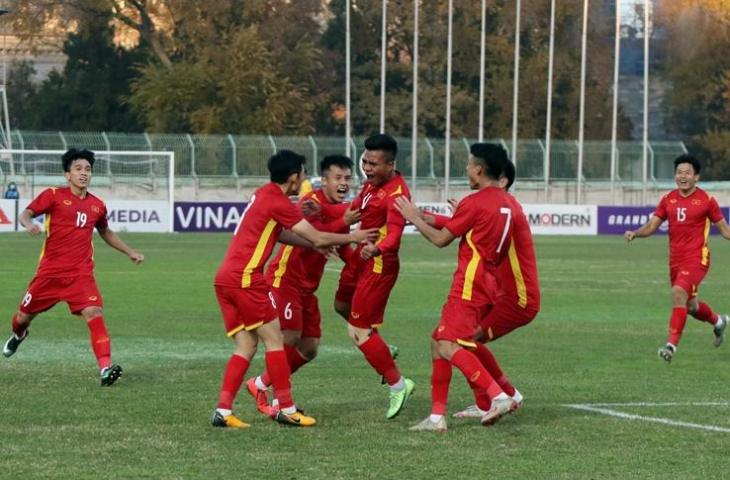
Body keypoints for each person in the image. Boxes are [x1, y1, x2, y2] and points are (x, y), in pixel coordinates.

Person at [211, 150, 377, 429]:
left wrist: (315, 245)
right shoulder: (279, 202)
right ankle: (286, 407)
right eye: (301, 174)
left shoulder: (262, 193)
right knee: (277, 341)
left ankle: (223, 411)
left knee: (246, 345)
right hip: (246, 279)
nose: (303, 179)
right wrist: (354, 236)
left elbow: (283, 234)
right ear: (293, 178)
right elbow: (319, 235)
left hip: (225, 277)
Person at [394, 143, 518, 432]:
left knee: (449, 345)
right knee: (438, 341)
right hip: (489, 281)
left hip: (470, 284)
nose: (466, 169)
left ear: (479, 169)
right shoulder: (507, 202)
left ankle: (498, 396)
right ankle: (437, 417)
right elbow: (471, 226)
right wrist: (429, 215)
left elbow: (440, 240)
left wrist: (413, 218)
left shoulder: (474, 202)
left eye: (469, 164)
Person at [2, 148, 144, 386]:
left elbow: (105, 231)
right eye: (78, 169)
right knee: (22, 318)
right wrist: (28, 224)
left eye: (87, 169)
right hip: (49, 274)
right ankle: (19, 335)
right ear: (67, 174)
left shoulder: (97, 205)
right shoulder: (54, 195)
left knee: (94, 313)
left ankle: (105, 369)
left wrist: (130, 252)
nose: (83, 173)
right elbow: (26, 214)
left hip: (80, 275)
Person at [246, 155, 359, 415]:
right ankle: (280, 402)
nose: (343, 183)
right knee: (290, 336)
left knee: (309, 348)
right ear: (325, 181)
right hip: (285, 279)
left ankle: (260, 383)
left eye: (347, 178)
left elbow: (339, 244)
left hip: (308, 288)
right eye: (337, 178)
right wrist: (349, 228)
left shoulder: (340, 209)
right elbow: (318, 235)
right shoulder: (311, 203)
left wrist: (361, 263)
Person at [329, 133, 416, 420]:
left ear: (391, 164)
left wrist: (377, 249)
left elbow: (395, 234)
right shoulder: (370, 185)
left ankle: (399, 385)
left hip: (378, 264)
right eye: (365, 161)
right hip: (359, 258)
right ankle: (380, 349)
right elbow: (354, 211)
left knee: (357, 331)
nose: (366, 167)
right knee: (341, 305)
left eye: (374, 164)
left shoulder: (397, 194)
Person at [450, 158, 541, 419]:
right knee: (464, 339)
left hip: (517, 298)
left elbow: (478, 227)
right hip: (500, 295)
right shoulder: (503, 209)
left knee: (463, 340)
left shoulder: (509, 208)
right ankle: (499, 397)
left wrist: (424, 217)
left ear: (503, 182)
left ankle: (502, 396)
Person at [625, 154, 730, 362]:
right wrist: (636, 233)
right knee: (691, 306)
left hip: (697, 258)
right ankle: (719, 322)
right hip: (676, 261)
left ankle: (671, 346)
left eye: (687, 173)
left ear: (696, 177)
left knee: (678, 292)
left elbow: (726, 231)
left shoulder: (707, 201)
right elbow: (652, 226)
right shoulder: (668, 199)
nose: (683, 176)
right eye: (679, 172)